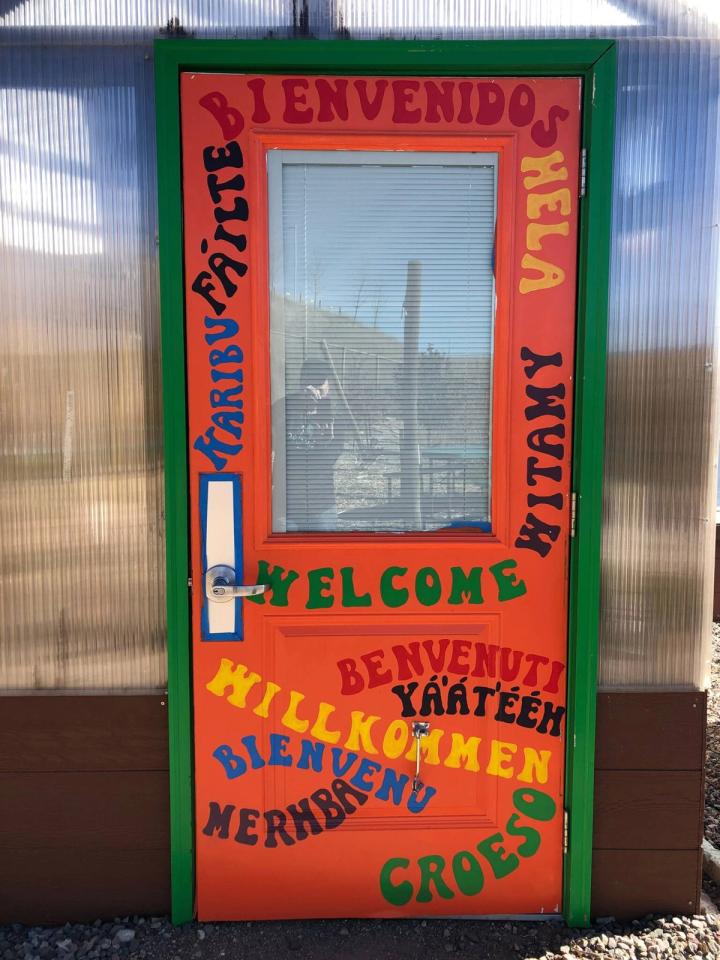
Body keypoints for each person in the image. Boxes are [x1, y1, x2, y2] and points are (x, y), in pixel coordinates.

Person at [274, 358, 347, 531]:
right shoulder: (283, 407)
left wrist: (325, 442)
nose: (315, 390)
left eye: (320, 384)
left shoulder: (333, 412)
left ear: (328, 386)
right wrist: (300, 407)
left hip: (321, 504)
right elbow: (270, 444)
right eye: (310, 383)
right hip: (285, 504)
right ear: (301, 384)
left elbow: (330, 458)